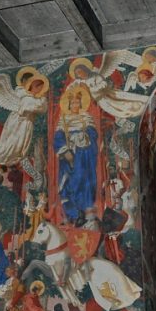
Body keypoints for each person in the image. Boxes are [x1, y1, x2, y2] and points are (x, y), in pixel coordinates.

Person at [55, 84, 98, 223]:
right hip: (70, 154)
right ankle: (74, 213)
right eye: (72, 102)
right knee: (71, 182)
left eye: (77, 102)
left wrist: (84, 136)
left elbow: (93, 133)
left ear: (81, 103)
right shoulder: (64, 119)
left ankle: (87, 211)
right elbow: (58, 137)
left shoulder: (86, 116)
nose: (75, 104)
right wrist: (65, 151)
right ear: (68, 104)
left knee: (84, 180)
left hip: (84, 154)